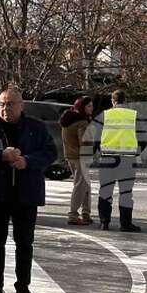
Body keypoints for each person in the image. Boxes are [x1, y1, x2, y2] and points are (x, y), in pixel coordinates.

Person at [0, 86, 57, 293]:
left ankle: (23, 287)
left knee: (24, 242)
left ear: (21, 106)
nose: (5, 109)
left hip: (26, 192)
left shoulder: (36, 127)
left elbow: (50, 153)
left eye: (10, 104)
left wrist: (27, 161)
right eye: (1, 104)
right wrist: (1, 155)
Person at [96, 89, 141, 232]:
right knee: (126, 192)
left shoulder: (104, 115)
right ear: (125, 101)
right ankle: (125, 223)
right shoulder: (133, 115)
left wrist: (97, 151)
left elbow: (95, 136)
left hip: (107, 157)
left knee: (105, 190)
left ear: (113, 101)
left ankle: (104, 222)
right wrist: (137, 150)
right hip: (127, 159)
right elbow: (142, 136)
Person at [60, 96, 94, 225]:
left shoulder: (67, 119)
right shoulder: (82, 122)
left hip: (71, 155)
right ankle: (73, 214)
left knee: (85, 185)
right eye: (89, 106)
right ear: (82, 107)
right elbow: (84, 141)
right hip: (81, 157)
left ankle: (86, 212)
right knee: (80, 185)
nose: (91, 108)